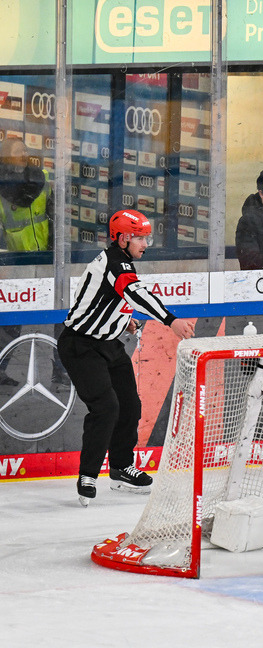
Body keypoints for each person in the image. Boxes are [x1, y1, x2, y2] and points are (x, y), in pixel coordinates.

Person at [58, 210, 195, 506]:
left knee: (130, 406)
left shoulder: (121, 262)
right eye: (140, 238)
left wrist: (123, 322)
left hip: (108, 345)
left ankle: (121, 467)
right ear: (123, 239)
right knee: (106, 408)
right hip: (80, 347)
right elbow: (135, 293)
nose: (146, 243)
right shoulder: (116, 264)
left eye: (148, 237)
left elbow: (111, 299)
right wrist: (171, 321)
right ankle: (88, 475)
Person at [0, 137, 59, 386]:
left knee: (60, 313)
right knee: (11, 320)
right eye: (16, 151)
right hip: (14, 261)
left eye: (25, 149)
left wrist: (56, 251)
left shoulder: (42, 177)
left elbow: (54, 214)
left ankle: (63, 371)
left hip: (45, 257)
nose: (23, 154)